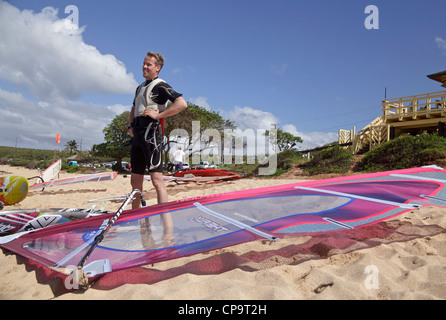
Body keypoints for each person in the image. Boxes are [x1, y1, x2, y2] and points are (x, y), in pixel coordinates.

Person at [128, 52, 187, 209]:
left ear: (158, 68)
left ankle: (164, 218)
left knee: (156, 180)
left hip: (152, 136)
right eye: (144, 63)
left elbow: (181, 103)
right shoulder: (139, 87)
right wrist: (130, 126)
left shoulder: (161, 86)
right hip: (138, 138)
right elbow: (134, 107)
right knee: (135, 182)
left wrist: (159, 114)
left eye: (149, 64)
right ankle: (136, 218)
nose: (144, 66)